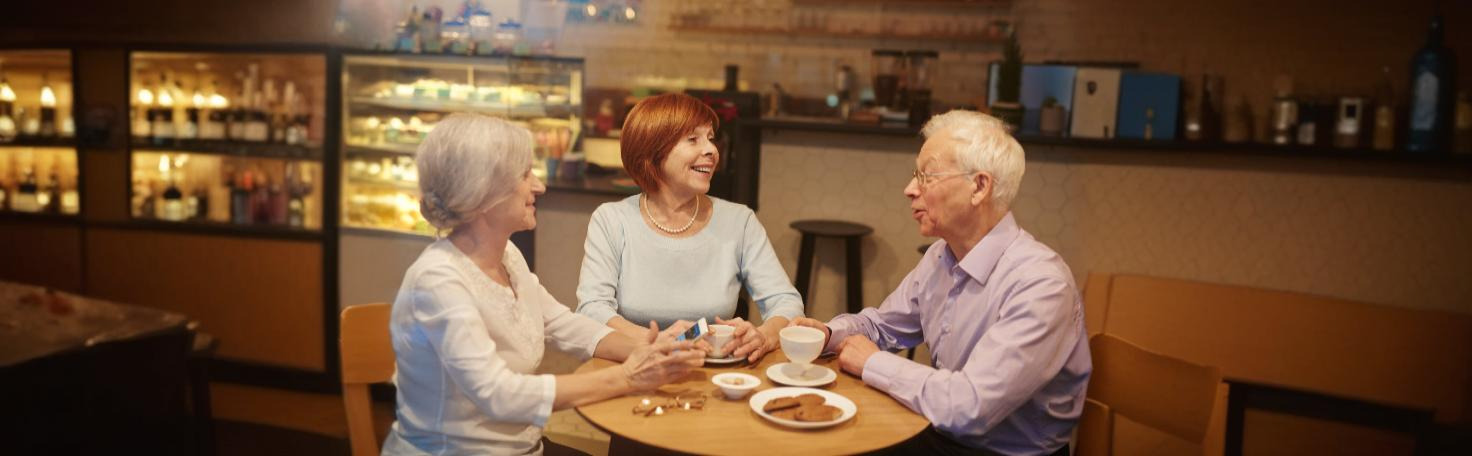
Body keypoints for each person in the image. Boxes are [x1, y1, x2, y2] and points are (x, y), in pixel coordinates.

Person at [383, 113, 707, 455]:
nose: (539, 186)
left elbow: (560, 322)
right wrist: (628, 377)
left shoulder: (506, 255)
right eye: (524, 174)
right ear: (481, 193)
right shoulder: (438, 282)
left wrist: (648, 347)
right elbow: (499, 394)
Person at [788, 110, 1091, 456]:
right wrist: (827, 334)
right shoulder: (940, 258)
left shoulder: (1041, 285)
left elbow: (970, 406)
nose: (909, 189)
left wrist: (872, 362)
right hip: (938, 431)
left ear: (979, 187)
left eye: (926, 175)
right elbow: (882, 325)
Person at [576, 93, 804, 363]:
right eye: (693, 139)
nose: (711, 150)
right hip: (632, 367)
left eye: (710, 137)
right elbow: (592, 308)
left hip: (714, 371)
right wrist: (655, 342)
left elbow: (786, 301)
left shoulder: (739, 221)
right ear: (652, 153)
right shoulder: (612, 220)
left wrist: (763, 335)